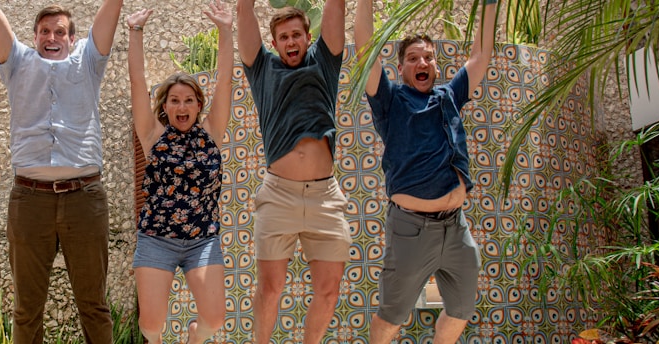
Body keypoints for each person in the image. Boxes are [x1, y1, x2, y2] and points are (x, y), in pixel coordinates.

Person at [0, 0, 123, 343]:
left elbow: (108, 17)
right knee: (27, 308)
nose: (51, 37)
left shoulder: (87, 60)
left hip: (84, 198)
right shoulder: (17, 62)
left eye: (59, 32)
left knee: (94, 305)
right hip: (30, 200)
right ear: (35, 37)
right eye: (44, 31)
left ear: (73, 38)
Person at [353, 0, 498, 343]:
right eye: (414, 59)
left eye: (429, 58)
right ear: (401, 68)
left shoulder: (449, 95)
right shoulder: (391, 101)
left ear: (435, 66)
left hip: (456, 226)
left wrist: (490, 5)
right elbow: (364, 49)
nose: (423, 63)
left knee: (461, 309)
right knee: (392, 317)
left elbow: (481, 55)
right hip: (411, 228)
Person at [234, 0, 349, 342]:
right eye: (283, 37)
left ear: (308, 36)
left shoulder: (324, 63)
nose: (290, 42)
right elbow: (244, 10)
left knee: (329, 290)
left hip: (325, 197)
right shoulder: (262, 69)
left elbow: (336, 6)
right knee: (271, 289)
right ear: (275, 43)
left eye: (296, 34)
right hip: (279, 195)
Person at [125, 2, 232, 343]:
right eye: (174, 100)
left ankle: (194, 339)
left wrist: (226, 31)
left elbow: (226, 79)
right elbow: (137, 79)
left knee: (214, 319)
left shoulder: (212, 132)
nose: (181, 106)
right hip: (157, 239)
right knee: (151, 326)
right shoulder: (152, 135)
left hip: (202, 239)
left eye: (188, 100)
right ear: (165, 106)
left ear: (199, 105)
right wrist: (135, 32)